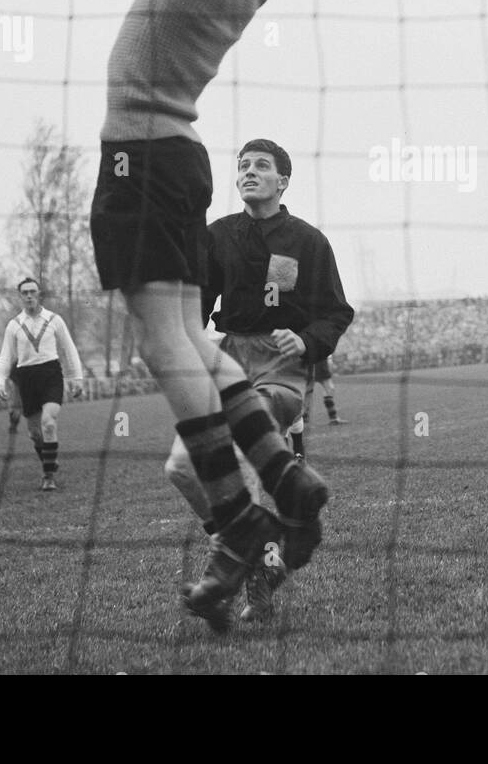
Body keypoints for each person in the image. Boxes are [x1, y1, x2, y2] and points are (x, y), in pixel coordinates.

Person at [88, 0, 329, 635]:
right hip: (179, 161)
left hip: (141, 163)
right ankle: (286, 473)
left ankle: (237, 517)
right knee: (194, 336)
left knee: (165, 346)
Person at [164, 138, 354, 623]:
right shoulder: (217, 236)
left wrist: (307, 339)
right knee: (182, 466)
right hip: (227, 357)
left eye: (261, 166)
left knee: (236, 451)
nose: (249, 172)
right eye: (243, 165)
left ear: (282, 181)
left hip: (280, 368)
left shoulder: (309, 242)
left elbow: (336, 312)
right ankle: (254, 558)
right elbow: (197, 309)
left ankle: (229, 571)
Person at [0, 277, 84, 490]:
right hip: (26, 378)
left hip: (51, 373)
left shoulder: (54, 320)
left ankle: (48, 476)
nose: (29, 296)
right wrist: (0, 382)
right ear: (20, 296)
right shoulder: (14, 326)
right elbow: (5, 356)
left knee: (49, 422)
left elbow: (69, 349)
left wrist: (76, 378)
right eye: (24, 292)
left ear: (39, 294)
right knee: (35, 433)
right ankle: (49, 461)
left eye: (33, 291)